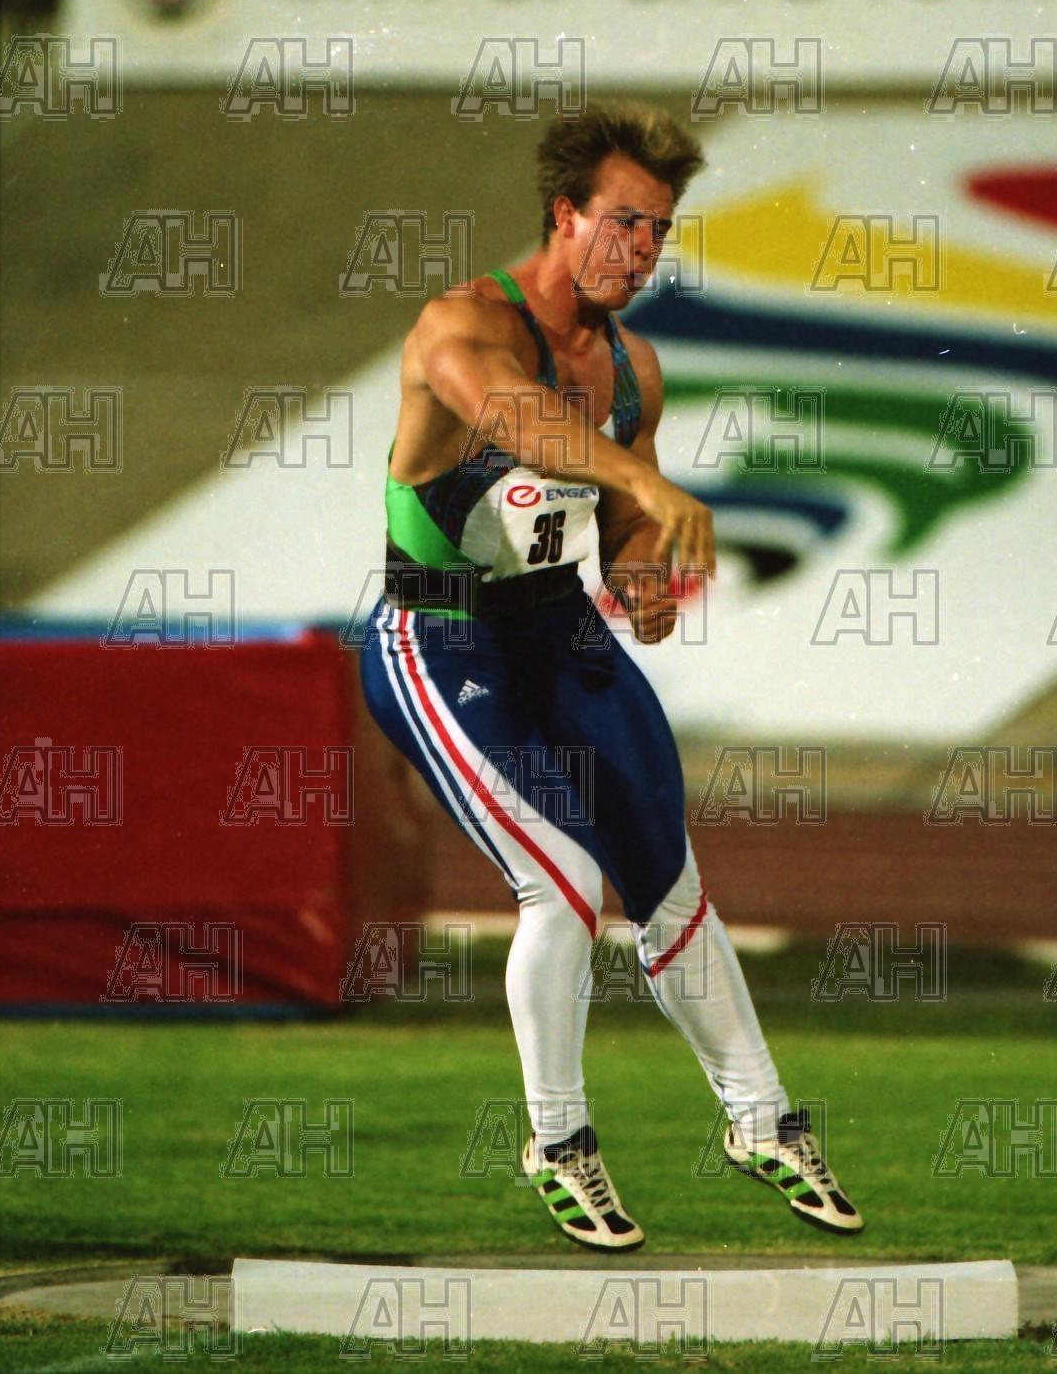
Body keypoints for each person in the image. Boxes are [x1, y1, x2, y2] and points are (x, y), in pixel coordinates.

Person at [360, 100, 863, 1248]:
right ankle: (557, 1141)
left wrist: (641, 574)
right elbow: (522, 424)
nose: (639, 252)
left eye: (658, 232)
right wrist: (648, 488)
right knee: (563, 879)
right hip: (440, 636)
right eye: (622, 224)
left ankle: (761, 1120)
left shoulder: (633, 367)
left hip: (559, 630)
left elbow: (618, 521)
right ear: (564, 215)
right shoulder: (460, 324)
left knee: (667, 878)